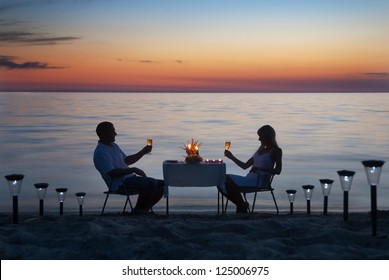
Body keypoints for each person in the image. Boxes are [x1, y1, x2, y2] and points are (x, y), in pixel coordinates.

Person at [93, 121, 164, 215]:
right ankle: (139, 210)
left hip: (130, 179)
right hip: (119, 184)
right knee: (151, 183)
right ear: (103, 133)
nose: (115, 134)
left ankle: (144, 209)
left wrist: (143, 152)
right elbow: (111, 173)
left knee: (163, 184)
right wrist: (133, 169)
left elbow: (127, 161)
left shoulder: (114, 146)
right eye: (112, 131)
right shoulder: (101, 152)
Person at [223, 125, 282, 213]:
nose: (259, 139)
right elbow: (244, 166)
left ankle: (241, 206)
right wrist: (232, 157)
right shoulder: (259, 151)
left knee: (226, 180)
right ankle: (242, 205)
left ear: (268, 137)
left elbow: (278, 171)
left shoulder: (276, 150)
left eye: (261, 137)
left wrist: (261, 169)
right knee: (221, 179)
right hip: (249, 179)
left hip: (260, 182)